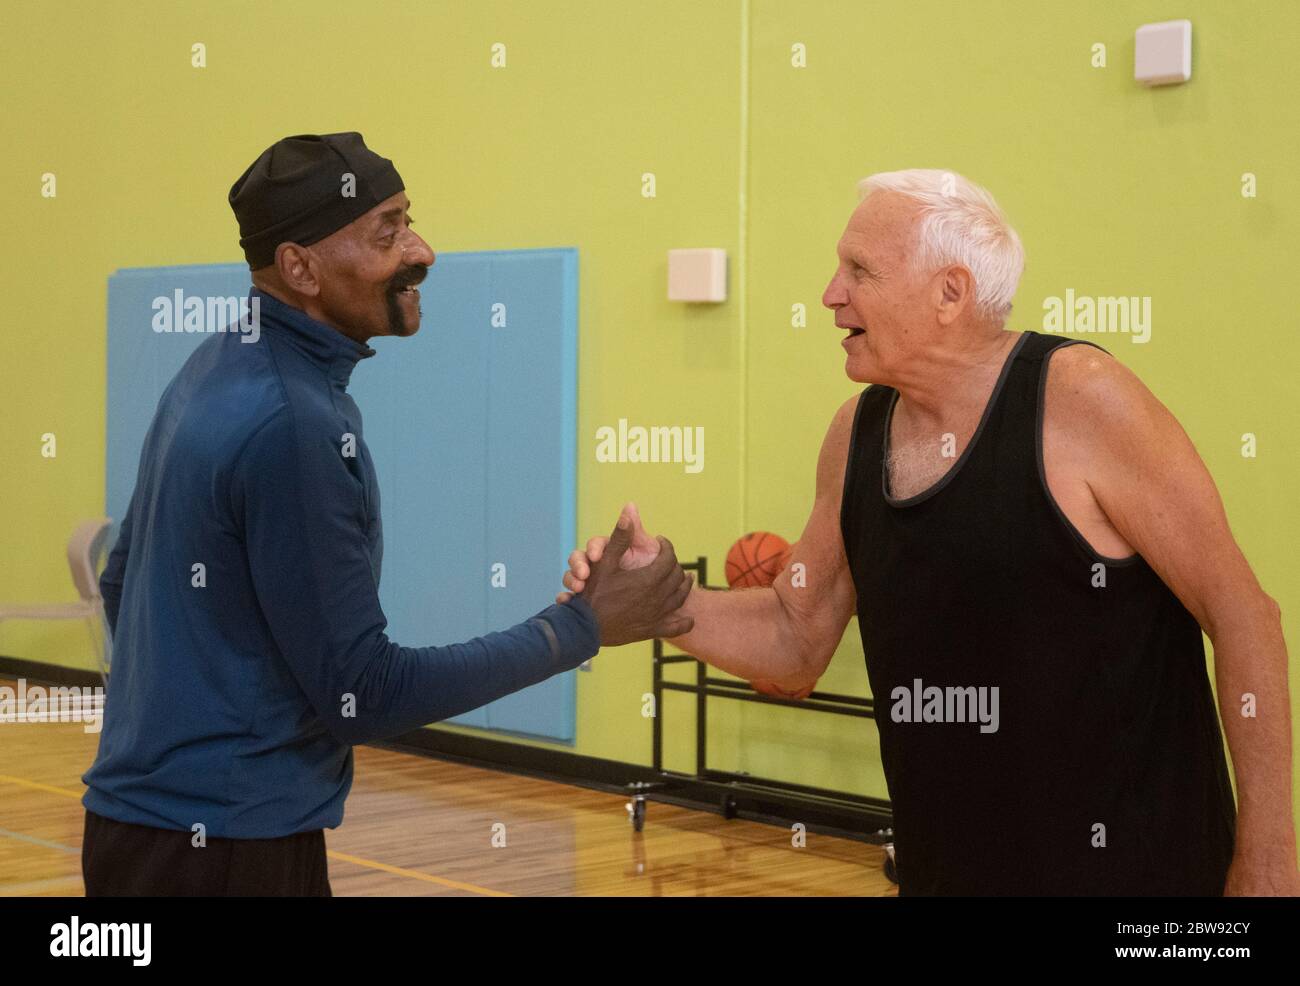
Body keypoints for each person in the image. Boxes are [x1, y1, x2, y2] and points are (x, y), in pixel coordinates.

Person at [560, 169, 1299, 896]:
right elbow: (794, 635)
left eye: (860, 270)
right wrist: (662, 603)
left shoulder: (1084, 399)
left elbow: (1245, 618)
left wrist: (1269, 861)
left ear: (950, 292)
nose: (830, 293)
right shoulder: (857, 434)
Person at [82, 132, 694, 897]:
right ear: (300, 268)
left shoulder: (217, 365)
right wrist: (579, 627)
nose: (422, 250)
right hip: (224, 853)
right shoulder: (292, 423)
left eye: (410, 219)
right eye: (388, 231)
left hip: (146, 833)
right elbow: (363, 694)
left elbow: (120, 582)